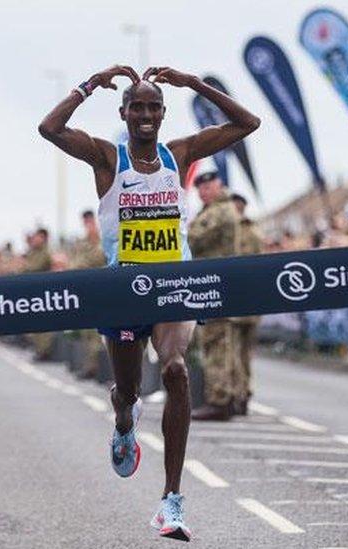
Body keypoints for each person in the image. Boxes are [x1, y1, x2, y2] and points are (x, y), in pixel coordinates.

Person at [38, 64, 260, 541]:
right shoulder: (106, 158)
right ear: (124, 112)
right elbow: (49, 129)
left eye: (153, 108)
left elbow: (248, 125)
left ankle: (171, 502)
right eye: (136, 107)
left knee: (177, 369)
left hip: (174, 285)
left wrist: (195, 85)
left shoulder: (177, 155)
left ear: (163, 114)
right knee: (128, 390)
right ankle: (124, 419)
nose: (145, 115)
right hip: (123, 291)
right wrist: (90, 83)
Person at [187, 172, 241, 421]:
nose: (203, 192)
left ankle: (219, 399)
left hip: (215, 286)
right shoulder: (215, 209)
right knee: (218, 342)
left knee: (215, 342)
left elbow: (192, 238)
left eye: (208, 187)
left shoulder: (219, 211)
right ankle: (226, 397)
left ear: (219, 186)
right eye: (200, 188)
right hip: (215, 285)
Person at [228, 193, 262, 416]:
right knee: (246, 353)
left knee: (234, 350)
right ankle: (245, 390)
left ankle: (239, 392)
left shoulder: (233, 231)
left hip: (237, 298)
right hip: (252, 301)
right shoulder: (256, 232)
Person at [69, 210, 108, 379]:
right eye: (85, 222)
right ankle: (91, 365)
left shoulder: (103, 239)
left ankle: (98, 367)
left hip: (99, 288)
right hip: (84, 288)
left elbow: (99, 258)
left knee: (97, 332)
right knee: (87, 331)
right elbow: (74, 263)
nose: (88, 225)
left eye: (90, 221)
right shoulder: (81, 243)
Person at [22, 227, 56, 361]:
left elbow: (34, 267)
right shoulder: (33, 251)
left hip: (44, 292)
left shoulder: (46, 252)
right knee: (36, 323)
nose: (35, 239)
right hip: (35, 292)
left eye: (37, 236)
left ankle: (44, 351)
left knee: (44, 324)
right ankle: (39, 349)